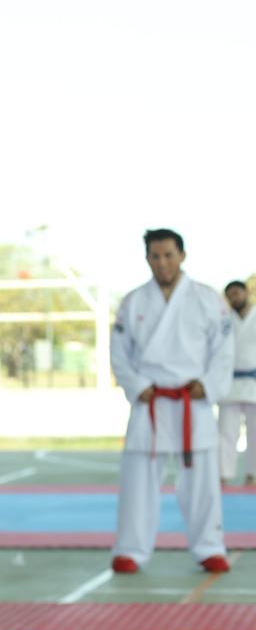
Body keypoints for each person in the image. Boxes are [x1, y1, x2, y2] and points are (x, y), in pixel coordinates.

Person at [109, 229, 233, 575]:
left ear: (182, 255)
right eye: (154, 256)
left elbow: (224, 351)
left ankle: (210, 546)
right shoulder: (133, 301)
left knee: (202, 480)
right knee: (137, 478)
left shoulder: (207, 299)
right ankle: (130, 549)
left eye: (168, 255)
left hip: (193, 398)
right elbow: (119, 352)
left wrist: (207, 385)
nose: (161, 262)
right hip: (150, 398)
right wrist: (136, 384)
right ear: (147, 258)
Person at [218, 278, 256, 486]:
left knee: (255, 433)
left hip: (254, 381)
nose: (235, 297)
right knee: (226, 432)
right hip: (229, 383)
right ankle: (223, 475)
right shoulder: (223, 320)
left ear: (246, 293)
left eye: (237, 293)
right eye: (230, 295)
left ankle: (252, 475)